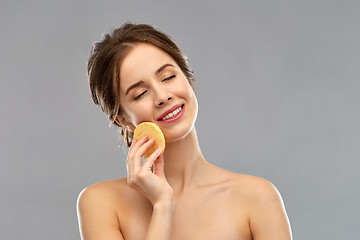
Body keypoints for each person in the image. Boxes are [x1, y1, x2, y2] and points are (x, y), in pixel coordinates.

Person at [76, 23, 292, 240]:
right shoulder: (101, 203)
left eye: (168, 77)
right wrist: (162, 206)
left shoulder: (258, 198)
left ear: (188, 79)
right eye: (140, 93)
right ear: (122, 119)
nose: (163, 96)